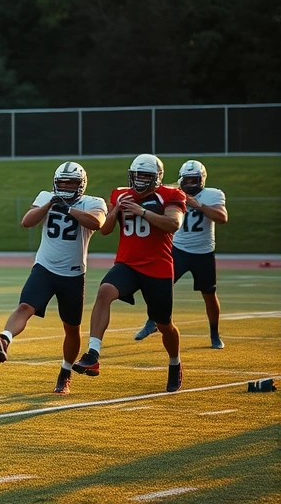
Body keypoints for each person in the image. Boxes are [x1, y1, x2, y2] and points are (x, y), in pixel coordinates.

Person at [0, 162, 107, 394]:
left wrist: (68, 209)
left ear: (81, 185)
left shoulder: (93, 202)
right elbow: (27, 221)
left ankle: (65, 373)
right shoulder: (46, 197)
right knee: (24, 307)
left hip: (72, 274)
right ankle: (4, 339)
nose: (66, 187)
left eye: (71, 183)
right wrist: (51, 203)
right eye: (62, 183)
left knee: (71, 329)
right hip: (44, 267)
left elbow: (98, 223)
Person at [72, 154, 187, 392]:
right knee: (104, 291)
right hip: (128, 264)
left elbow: (173, 224)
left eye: (145, 175)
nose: (140, 180)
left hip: (158, 267)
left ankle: (175, 363)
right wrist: (114, 212)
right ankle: (93, 354)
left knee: (164, 325)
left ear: (157, 177)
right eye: (137, 175)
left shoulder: (171, 195)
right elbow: (105, 230)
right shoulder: (120, 193)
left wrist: (142, 211)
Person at [134, 160, 228, 349]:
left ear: (202, 179)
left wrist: (198, 205)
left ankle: (214, 334)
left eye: (195, 179)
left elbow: (222, 218)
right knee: (159, 285)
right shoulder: (173, 192)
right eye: (188, 180)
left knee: (209, 294)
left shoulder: (213, 194)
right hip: (177, 249)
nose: (191, 184)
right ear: (181, 179)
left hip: (203, 252)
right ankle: (151, 321)